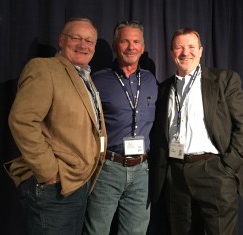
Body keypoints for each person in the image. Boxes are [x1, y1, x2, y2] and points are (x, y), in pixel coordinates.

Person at [149, 28, 243, 235]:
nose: (185, 52)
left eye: (191, 47)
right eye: (179, 47)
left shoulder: (224, 80)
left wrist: (228, 166)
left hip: (214, 171)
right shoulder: (164, 89)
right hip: (176, 173)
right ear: (172, 52)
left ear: (201, 51)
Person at [4, 18, 107, 235]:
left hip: (77, 183)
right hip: (55, 186)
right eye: (76, 38)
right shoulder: (44, 68)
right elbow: (22, 120)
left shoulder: (84, 76)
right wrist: (50, 172)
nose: (83, 45)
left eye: (89, 40)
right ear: (61, 40)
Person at [84, 21, 158, 235]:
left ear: (142, 48)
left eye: (136, 42)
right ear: (116, 45)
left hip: (142, 170)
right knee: (96, 230)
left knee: (136, 232)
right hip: (108, 167)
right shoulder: (98, 80)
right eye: (125, 41)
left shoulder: (150, 80)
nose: (131, 47)